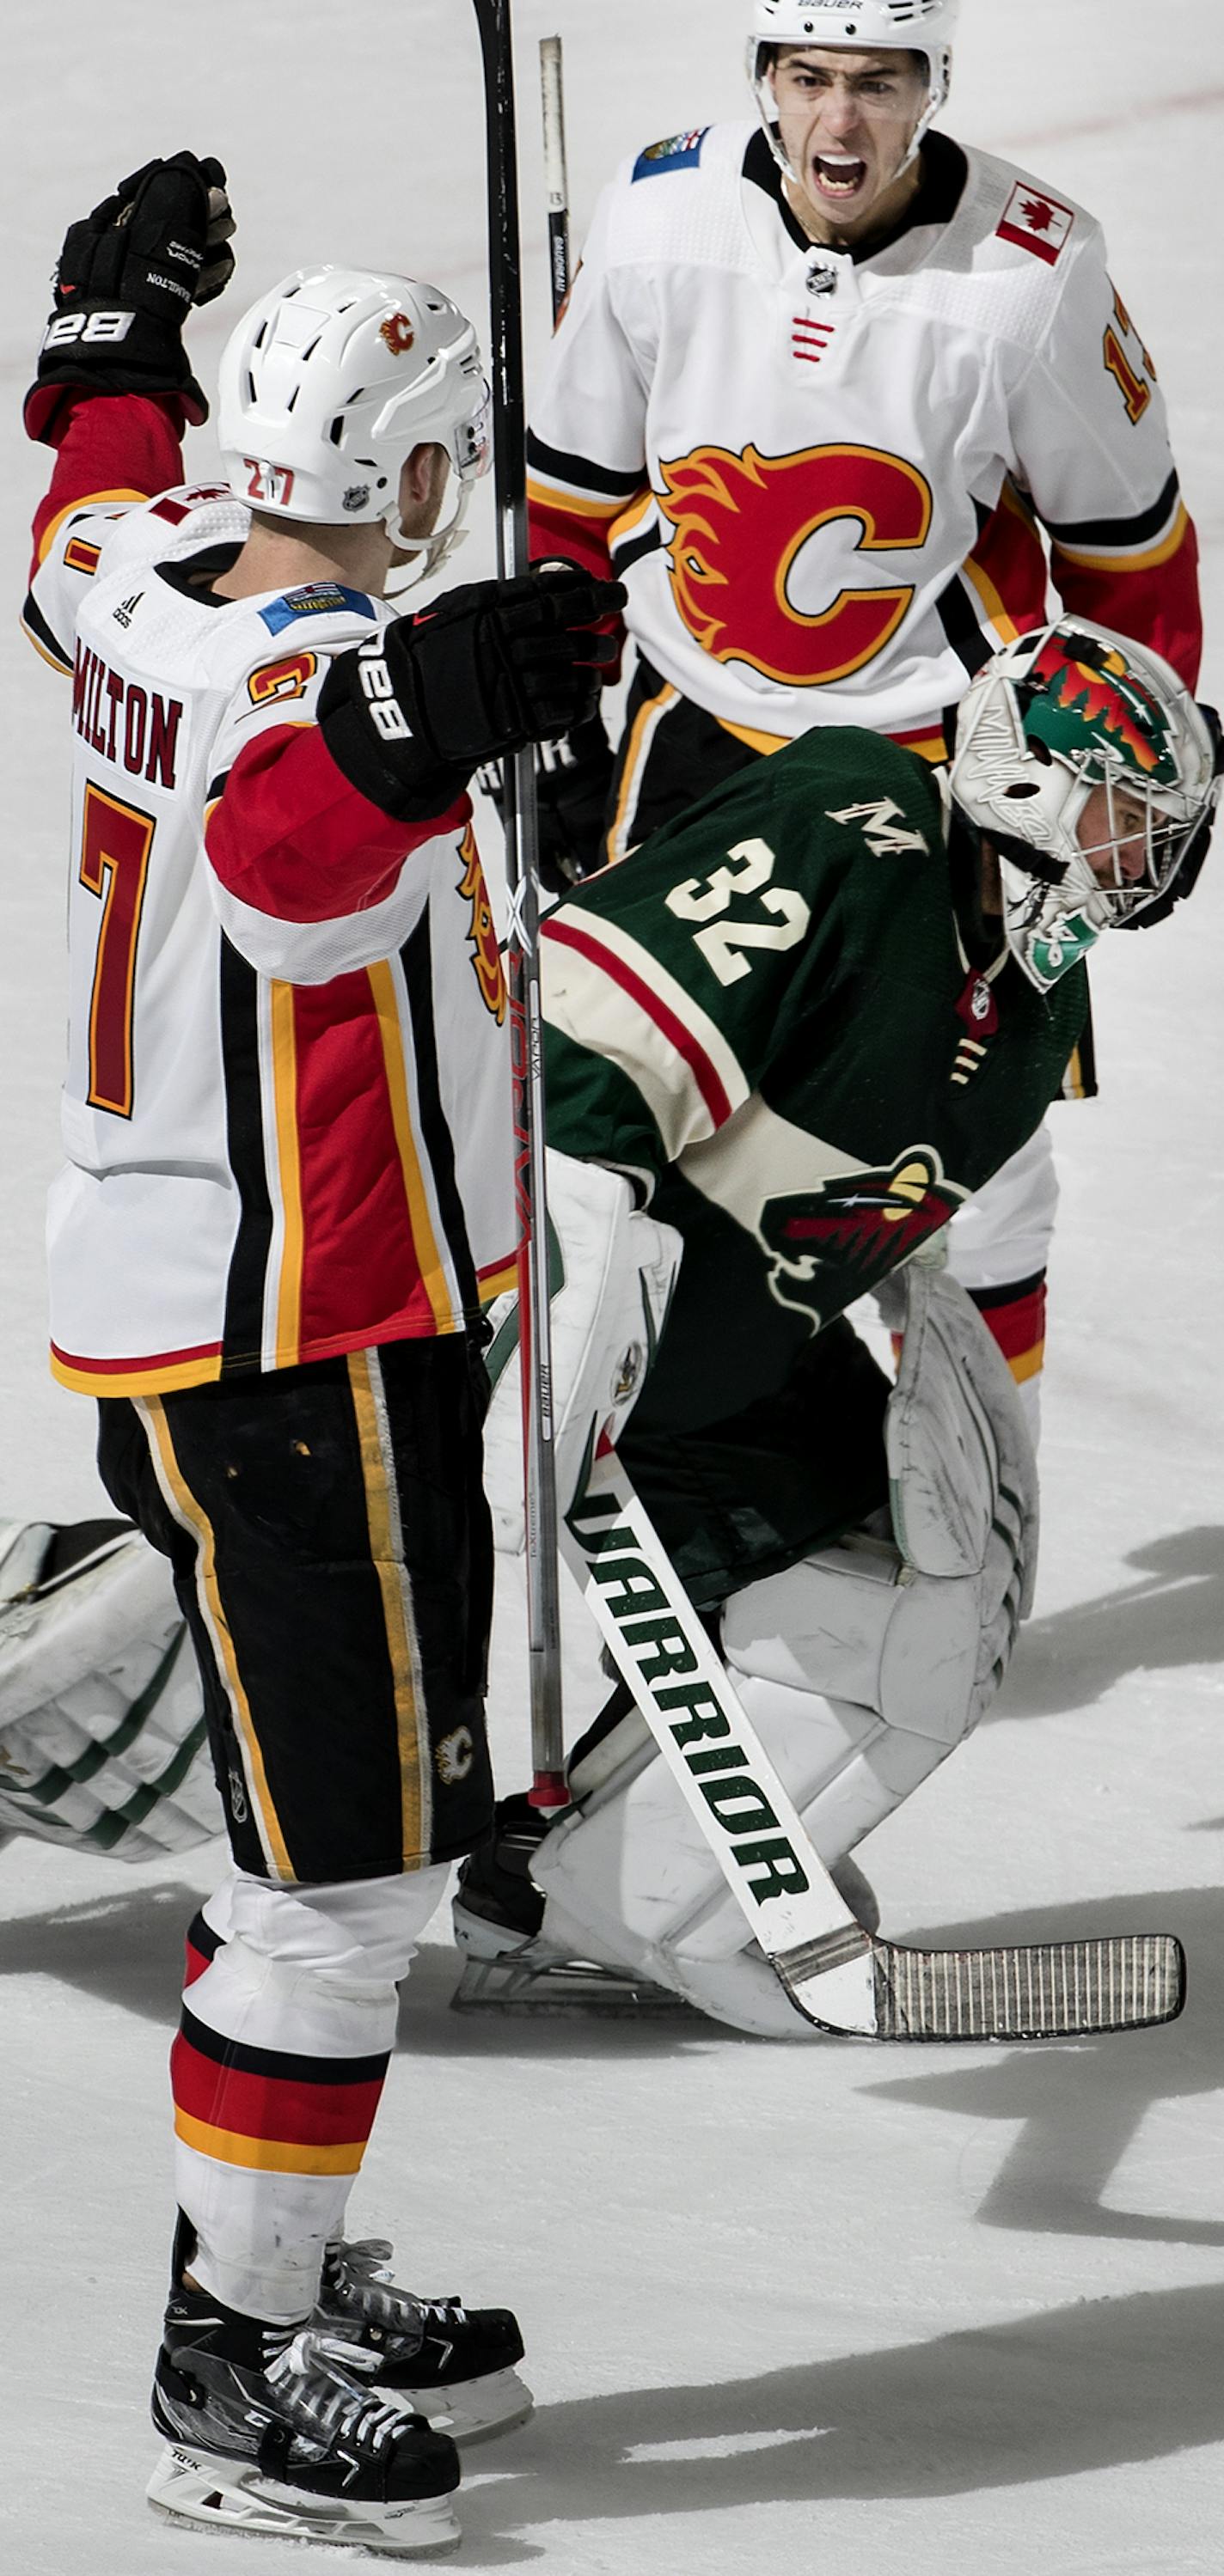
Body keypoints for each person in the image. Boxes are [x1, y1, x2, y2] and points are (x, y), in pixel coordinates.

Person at [21, 150, 621, 2552]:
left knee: (314, 1842)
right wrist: (422, 709)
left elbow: (79, 461)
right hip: (310, 1345)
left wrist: (107, 325)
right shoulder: (306, 687)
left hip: (177, 1307)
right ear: (429, 477)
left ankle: (259, 2258)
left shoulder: (124, 565)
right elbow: (290, 846)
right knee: (350, 1872)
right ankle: (229, 2361)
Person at [453, 612, 1221, 2035]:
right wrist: (564, 1297)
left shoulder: (1037, 1011)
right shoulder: (854, 815)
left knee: (928, 1595)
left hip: (707, 1366)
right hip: (515, 1303)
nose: (1148, 867)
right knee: (293, 1657)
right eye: (1130, 819)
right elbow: (584, 1034)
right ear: (1031, 776)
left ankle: (620, 1885)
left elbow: (856, 1203)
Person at [523, 0, 1204, 1429]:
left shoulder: (1033, 272)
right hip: (695, 739)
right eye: (810, 78)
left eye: (880, 83)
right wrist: (554, 728)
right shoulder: (662, 223)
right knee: (619, 1100)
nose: (841, 123)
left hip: (949, 767)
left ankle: (980, 1495)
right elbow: (571, 509)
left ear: (933, 85)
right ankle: (641, 1432)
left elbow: (1133, 562)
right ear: (763, 78)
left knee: (984, 1161)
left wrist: (1113, 788)